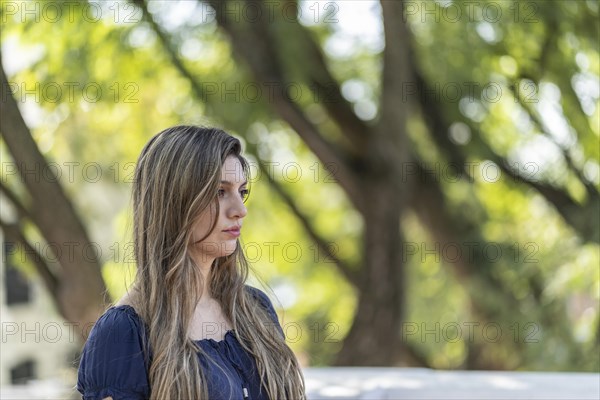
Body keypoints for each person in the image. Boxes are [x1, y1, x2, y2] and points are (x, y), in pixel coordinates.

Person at [77, 126, 306, 399]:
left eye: (241, 191)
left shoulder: (255, 308)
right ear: (174, 200)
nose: (240, 210)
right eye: (220, 192)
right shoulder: (123, 333)